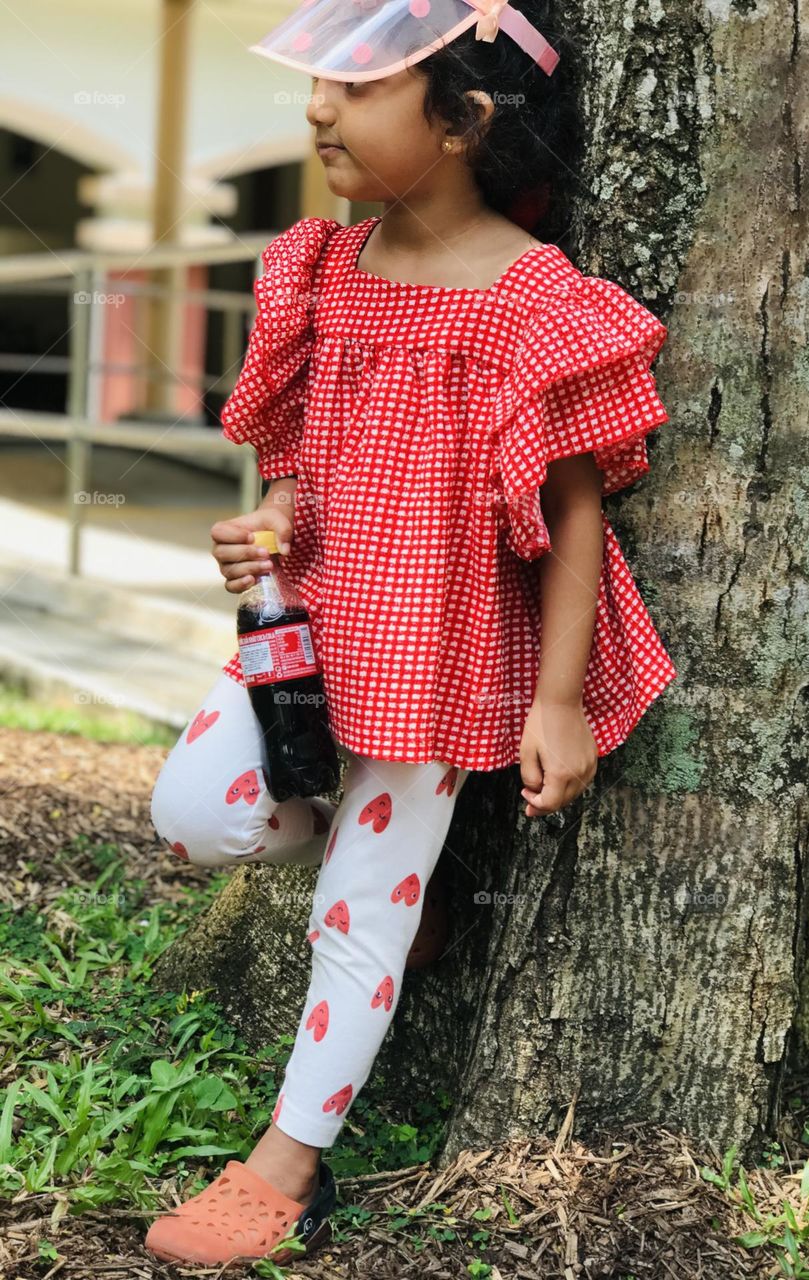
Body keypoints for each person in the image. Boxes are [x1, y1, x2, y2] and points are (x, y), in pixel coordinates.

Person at [145, 0, 677, 1267]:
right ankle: (406, 890)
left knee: (358, 909)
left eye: (357, 86)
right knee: (196, 811)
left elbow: (574, 507)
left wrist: (554, 698)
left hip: (435, 655)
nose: (319, 106)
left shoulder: (530, 297)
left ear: (464, 121)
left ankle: (290, 1163)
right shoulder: (325, 268)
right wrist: (270, 518)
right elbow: (300, 451)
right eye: (318, 83)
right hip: (311, 632)